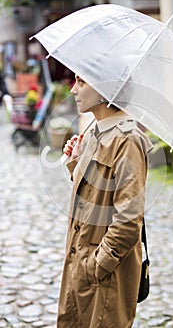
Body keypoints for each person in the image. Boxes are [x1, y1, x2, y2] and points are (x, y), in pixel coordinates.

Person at [57, 75, 153, 328]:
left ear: (104, 89)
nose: (73, 89)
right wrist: (76, 162)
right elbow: (95, 195)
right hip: (79, 261)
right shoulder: (96, 132)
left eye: (81, 82)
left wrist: (97, 265)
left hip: (104, 274)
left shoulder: (128, 141)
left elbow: (129, 220)